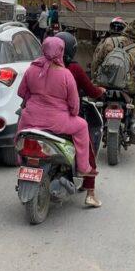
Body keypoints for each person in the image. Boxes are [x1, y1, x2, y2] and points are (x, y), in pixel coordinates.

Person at [17, 36, 94, 176]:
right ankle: (83, 167)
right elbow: (74, 105)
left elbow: (22, 92)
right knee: (82, 125)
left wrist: (32, 103)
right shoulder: (66, 74)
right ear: (61, 51)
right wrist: (73, 113)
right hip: (57, 122)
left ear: (43, 49)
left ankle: (19, 159)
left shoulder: (31, 69)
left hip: (30, 119)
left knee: (19, 133)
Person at [58, 32, 104, 208]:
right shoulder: (73, 70)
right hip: (65, 118)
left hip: (37, 119)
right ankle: (90, 191)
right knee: (87, 144)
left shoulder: (39, 67)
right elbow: (90, 90)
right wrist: (100, 91)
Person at [92, 17, 135, 122]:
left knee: (91, 91)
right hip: (127, 85)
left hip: (104, 82)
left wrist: (95, 78)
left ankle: (92, 115)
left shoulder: (107, 42)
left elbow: (95, 62)